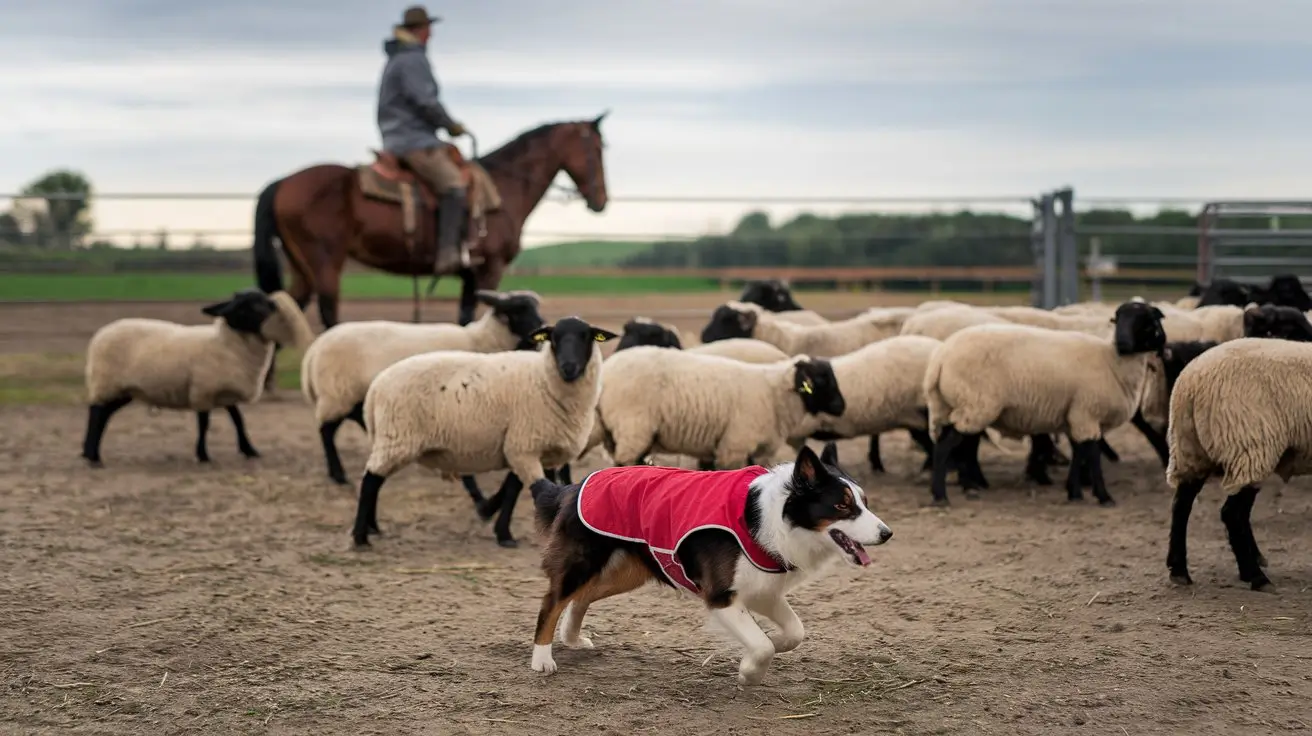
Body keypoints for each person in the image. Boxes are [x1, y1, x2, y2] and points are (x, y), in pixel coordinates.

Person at [377, 5, 470, 273]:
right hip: (412, 140)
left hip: (397, 135)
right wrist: (450, 125)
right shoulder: (412, 59)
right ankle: (447, 253)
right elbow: (425, 101)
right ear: (420, 30)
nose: (431, 34)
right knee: (454, 185)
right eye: (428, 28)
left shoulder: (397, 58)